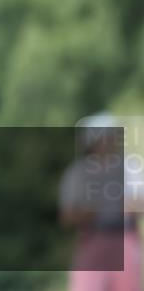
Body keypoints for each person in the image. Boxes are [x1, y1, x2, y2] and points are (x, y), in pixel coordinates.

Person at [60, 113, 143, 291]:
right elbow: (67, 216)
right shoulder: (77, 173)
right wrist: (89, 212)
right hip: (92, 238)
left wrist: (126, 204)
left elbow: (140, 204)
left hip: (125, 238)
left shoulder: (130, 167)